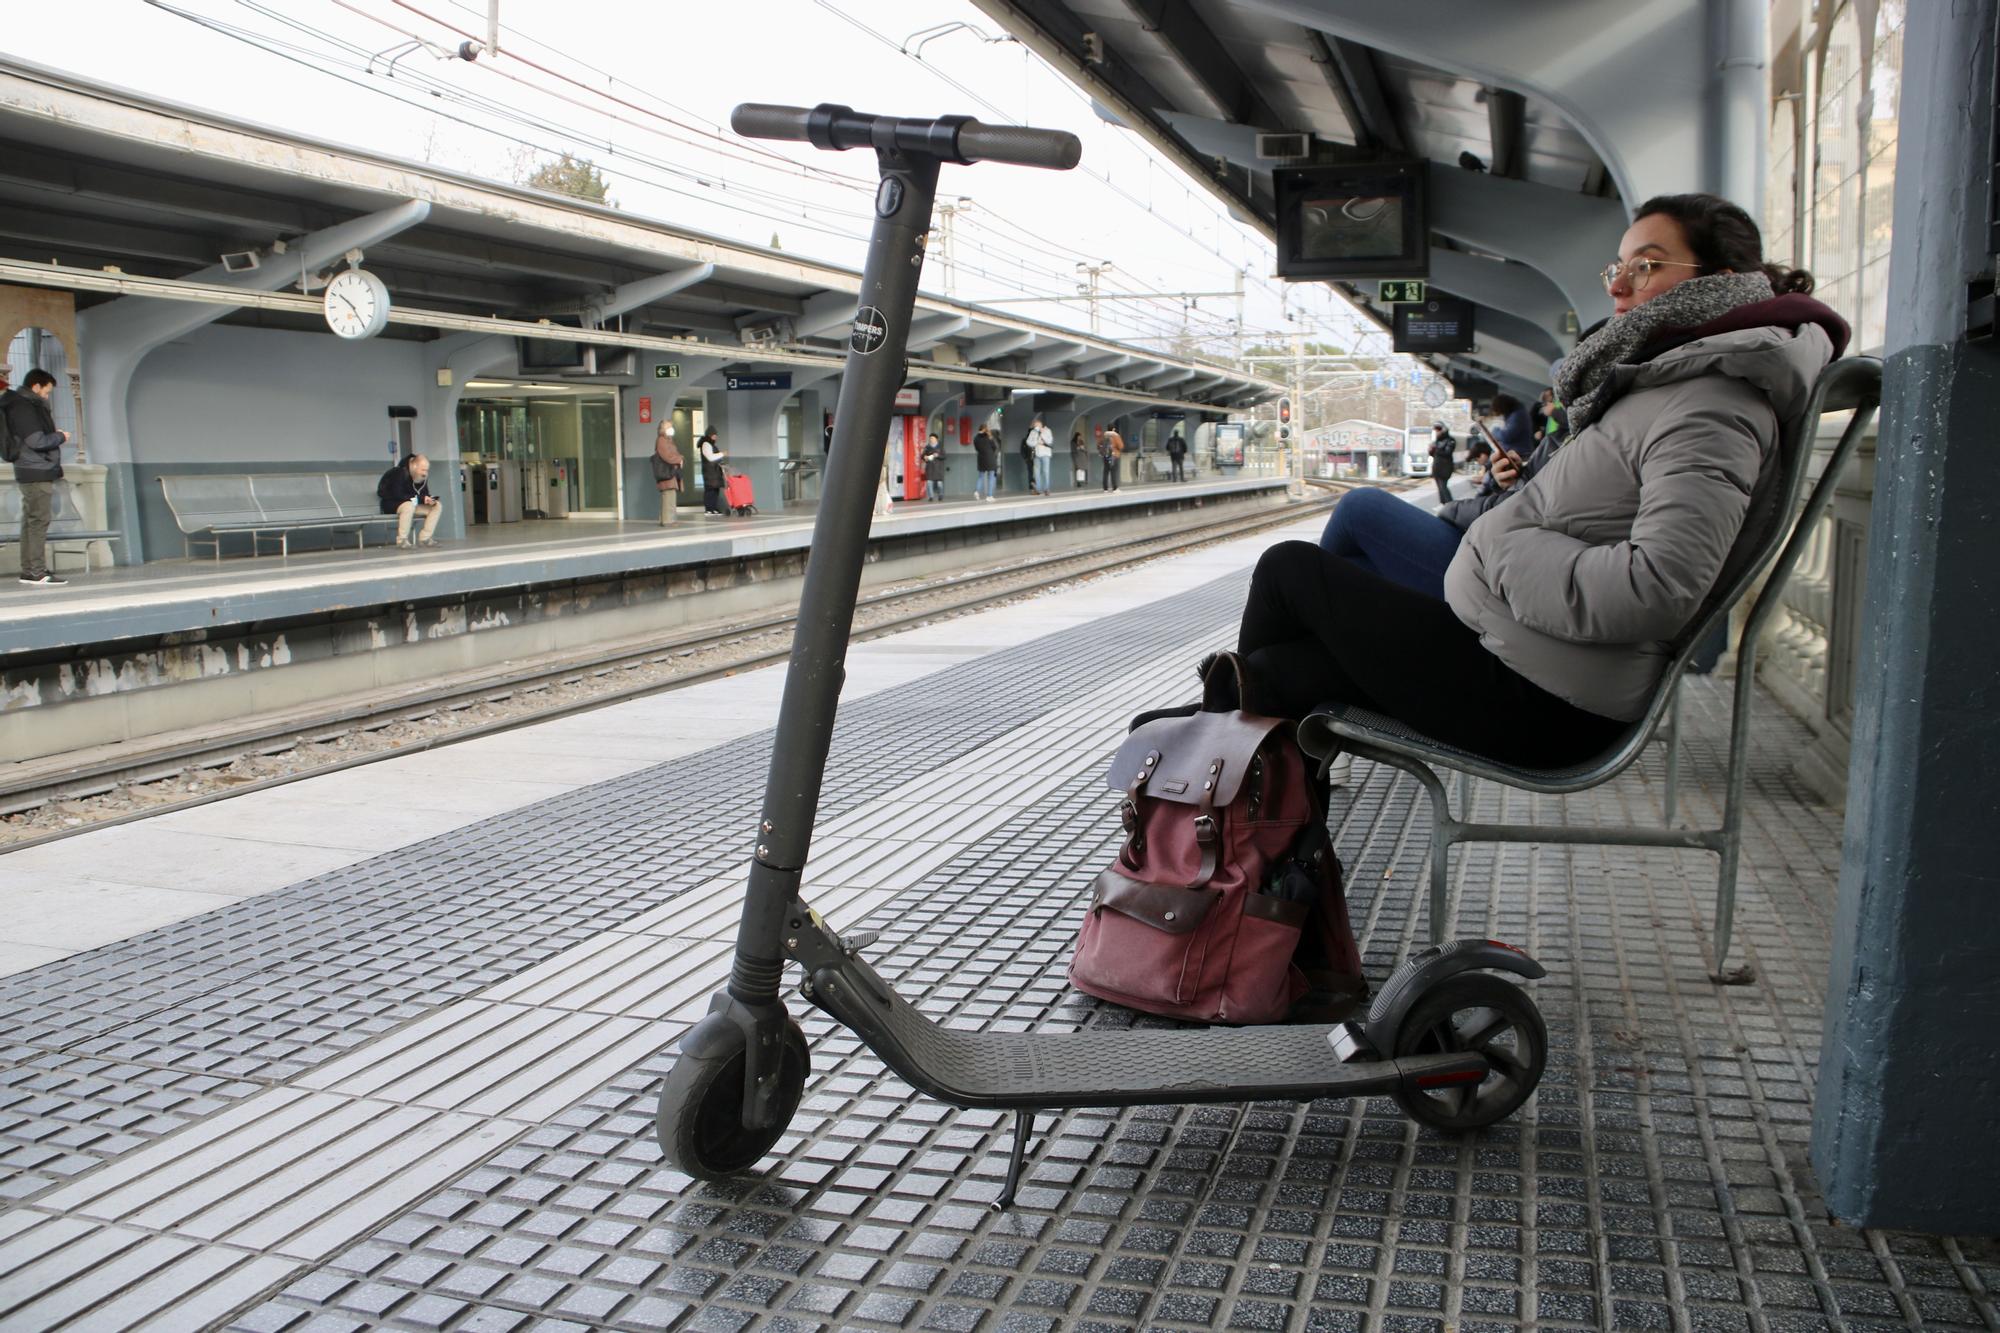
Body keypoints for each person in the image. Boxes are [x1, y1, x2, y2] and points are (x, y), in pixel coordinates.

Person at [1245, 191, 1846, 768]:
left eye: (1647, 266)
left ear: (1718, 279)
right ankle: (1243, 844)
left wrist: (1498, 547)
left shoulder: (1712, 403)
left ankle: (1200, 805)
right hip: (1530, 653)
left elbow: (1658, 588)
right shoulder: (1671, 385)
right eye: (1619, 266)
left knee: (1289, 570)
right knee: (1275, 676)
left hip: (1553, 699)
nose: (1616, 285)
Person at [5, 368, 71, 586]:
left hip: (28, 469)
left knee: (30, 522)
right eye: (46, 391)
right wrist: (60, 436)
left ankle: (30, 570)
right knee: (38, 522)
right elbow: (37, 442)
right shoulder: (25, 407)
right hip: (36, 470)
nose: (47, 396)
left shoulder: (18, 404)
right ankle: (37, 571)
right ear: (36, 386)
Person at [377, 452, 443, 548]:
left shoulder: (421, 476)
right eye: (423, 470)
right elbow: (398, 495)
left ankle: (425, 538)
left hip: (411, 503)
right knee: (408, 505)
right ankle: (402, 540)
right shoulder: (399, 473)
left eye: (427, 470)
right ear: (414, 466)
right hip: (392, 504)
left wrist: (429, 499)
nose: (425, 473)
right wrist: (420, 499)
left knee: (437, 506)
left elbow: (423, 494)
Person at [651, 422, 684, 525]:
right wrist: (679, 459)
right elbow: (667, 456)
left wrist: (679, 458)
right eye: (669, 426)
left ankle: (668, 519)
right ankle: (667, 520)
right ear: (662, 429)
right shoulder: (661, 440)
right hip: (667, 472)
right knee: (668, 497)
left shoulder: (668, 440)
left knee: (670, 496)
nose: (671, 428)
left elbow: (673, 453)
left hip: (671, 472)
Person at [1427, 422, 1456, 505]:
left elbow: (1448, 452)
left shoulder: (1450, 440)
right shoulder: (1436, 441)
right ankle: (1444, 504)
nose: (1437, 432)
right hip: (1437, 468)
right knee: (1440, 488)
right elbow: (1434, 455)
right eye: (1436, 430)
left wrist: (1436, 449)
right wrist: (1431, 451)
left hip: (1445, 468)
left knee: (1443, 487)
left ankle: (1450, 504)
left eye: (1439, 430)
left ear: (1444, 430)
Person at [698, 430, 727, 514]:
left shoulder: (712, 445)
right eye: (714, 435)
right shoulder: (705, 444)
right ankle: (708, 509)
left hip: (715, 471)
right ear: (709, 435)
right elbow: (710, 457)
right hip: (709, 472)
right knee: (710, 490)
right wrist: (722, 454)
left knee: (715, 490)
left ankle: (713, 508)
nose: (716, 437)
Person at [972, 424, 1000, 501]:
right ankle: (989, 496)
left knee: (981, 476)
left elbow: (976, 448)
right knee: (991, 477)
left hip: (981, 458)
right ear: (986, 429)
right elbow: (994, 447)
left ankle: (977, 491)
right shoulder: (989, 436)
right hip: (990, 458)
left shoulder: (975, 438)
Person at [1028, 416, 1054, 496]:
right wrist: (1036, 442)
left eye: (1037, 425)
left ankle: (1046, 489)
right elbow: (1028, 442)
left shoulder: (1047, 430)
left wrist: (1042, 433)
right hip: (1037, 454)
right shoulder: (1033, 432)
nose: (1036, 427)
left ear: (1041, 425)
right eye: (1035, 426)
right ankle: (1038, 490)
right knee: (1036, 473)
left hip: (1045, 454)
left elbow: (1049, 441)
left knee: (1045, 472)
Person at [921, 431, 946, 501]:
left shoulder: (940, 447)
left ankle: (940, 494)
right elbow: (922, 456)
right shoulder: (927, 447)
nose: (931, 440)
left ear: (936, 439)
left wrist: (938, 455)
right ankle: (931, 496)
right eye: (930, 438)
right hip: (930, 467)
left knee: (939, 484)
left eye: (932, 438)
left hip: (938, 468)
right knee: (929, 482)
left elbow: (944, 456)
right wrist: (924, 457)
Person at [1099, 426, 1123, 491]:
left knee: (1105, 471)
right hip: (1114, 456)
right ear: (1113, 429)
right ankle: (1115, 488)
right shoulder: (1116, 436)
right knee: (1113, 471)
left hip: (1105, 456)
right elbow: (1121, 446)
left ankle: (1105, 489)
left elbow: (1098, 445)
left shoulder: (1104, 436)